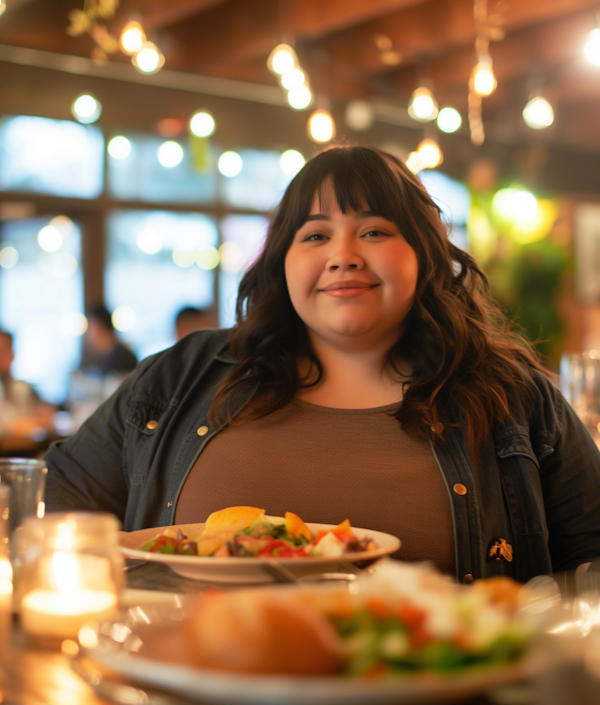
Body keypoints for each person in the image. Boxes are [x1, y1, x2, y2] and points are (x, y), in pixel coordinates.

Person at [44, 147, 600, 583]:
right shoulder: (181, 376)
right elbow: (56, 502)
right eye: (315, 235)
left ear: (425, 254)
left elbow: (591, 567)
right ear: (283, 263)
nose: (344, 255)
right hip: (181, 698)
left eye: (376, 231)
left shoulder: (514, 398)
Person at [80, 305, 138, 375]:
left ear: (98, 327)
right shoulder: (107, 357)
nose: (87, 335)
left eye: (89, 327)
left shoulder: (121, 357)